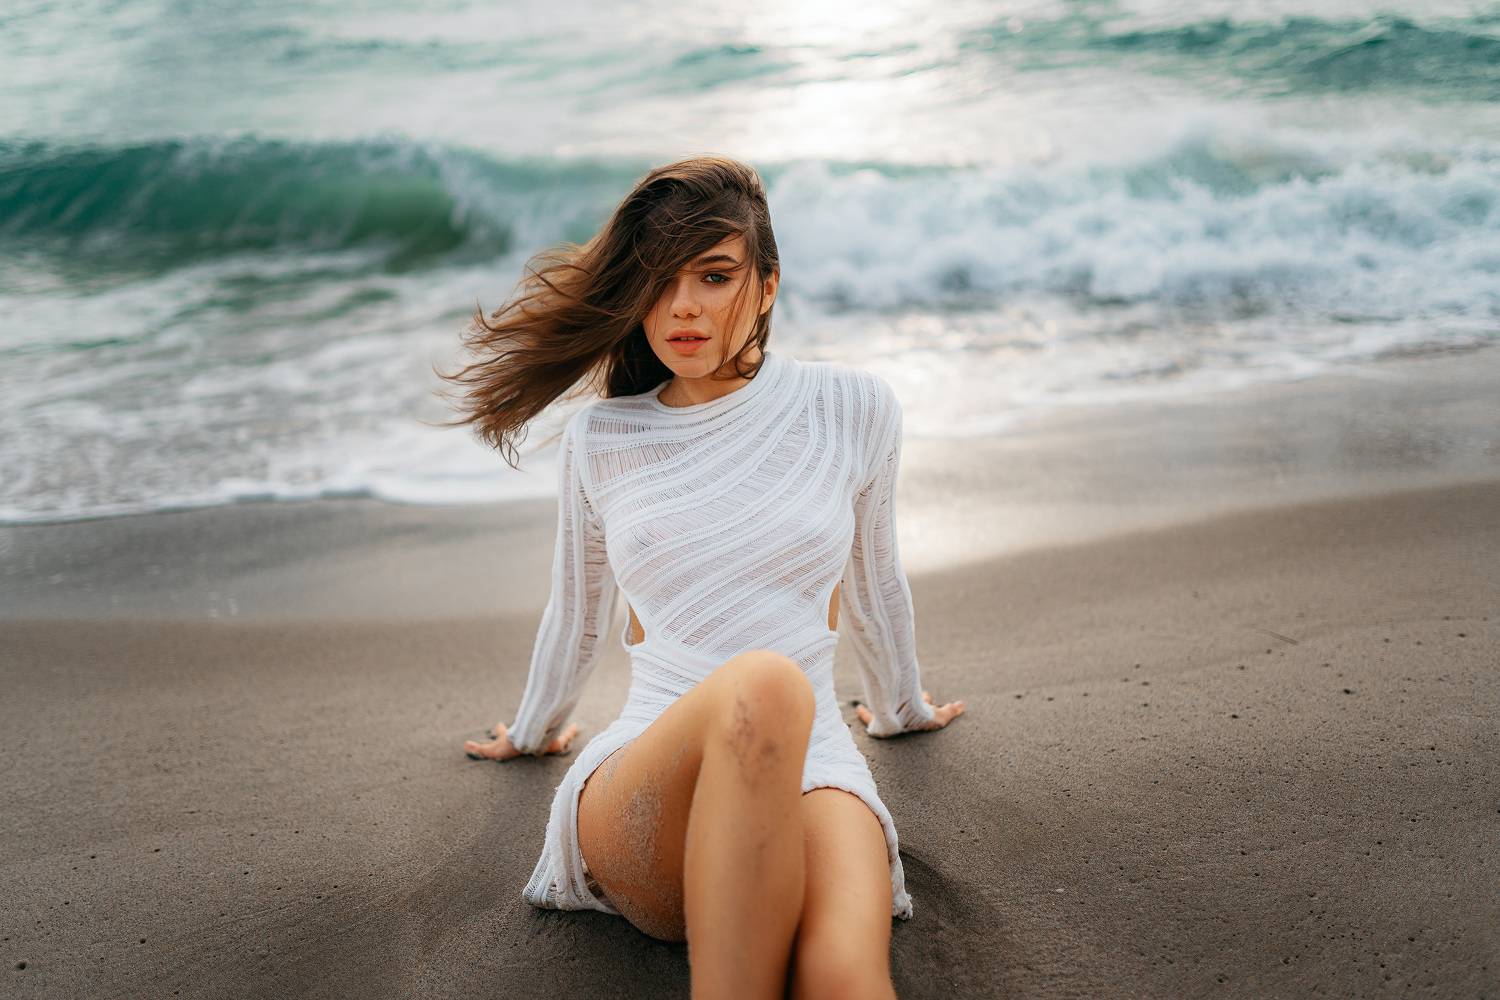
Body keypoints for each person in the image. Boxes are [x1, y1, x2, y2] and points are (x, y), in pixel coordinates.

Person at [443, 155, 965, 1000]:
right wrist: (533, 733)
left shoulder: (854, 408)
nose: (682, 305)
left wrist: (902, 711)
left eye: (713, 276)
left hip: (820, 761)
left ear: (766, 286)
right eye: (656, 281)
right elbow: (576, 614)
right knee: (766, 683)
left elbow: (876, 582)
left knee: (844, 968)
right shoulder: (604, 438)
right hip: (649, 775)